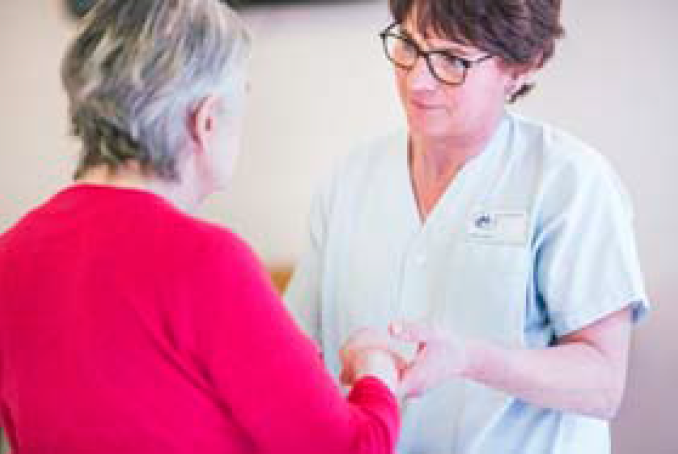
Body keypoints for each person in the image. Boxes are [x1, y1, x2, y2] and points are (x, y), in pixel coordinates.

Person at [0, 1, 403, 452]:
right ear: (206, 120)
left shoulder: (9, 255)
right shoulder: (207, 263)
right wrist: (377, 373)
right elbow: (349, 448)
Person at [285, 0, 650, 452]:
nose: (418, 80)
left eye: (452, 60)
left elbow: (602, 384)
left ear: (520, 67)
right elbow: (295, 346)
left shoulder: (567, 181)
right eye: (409, 46)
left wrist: (471, 360)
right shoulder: (350, 180)